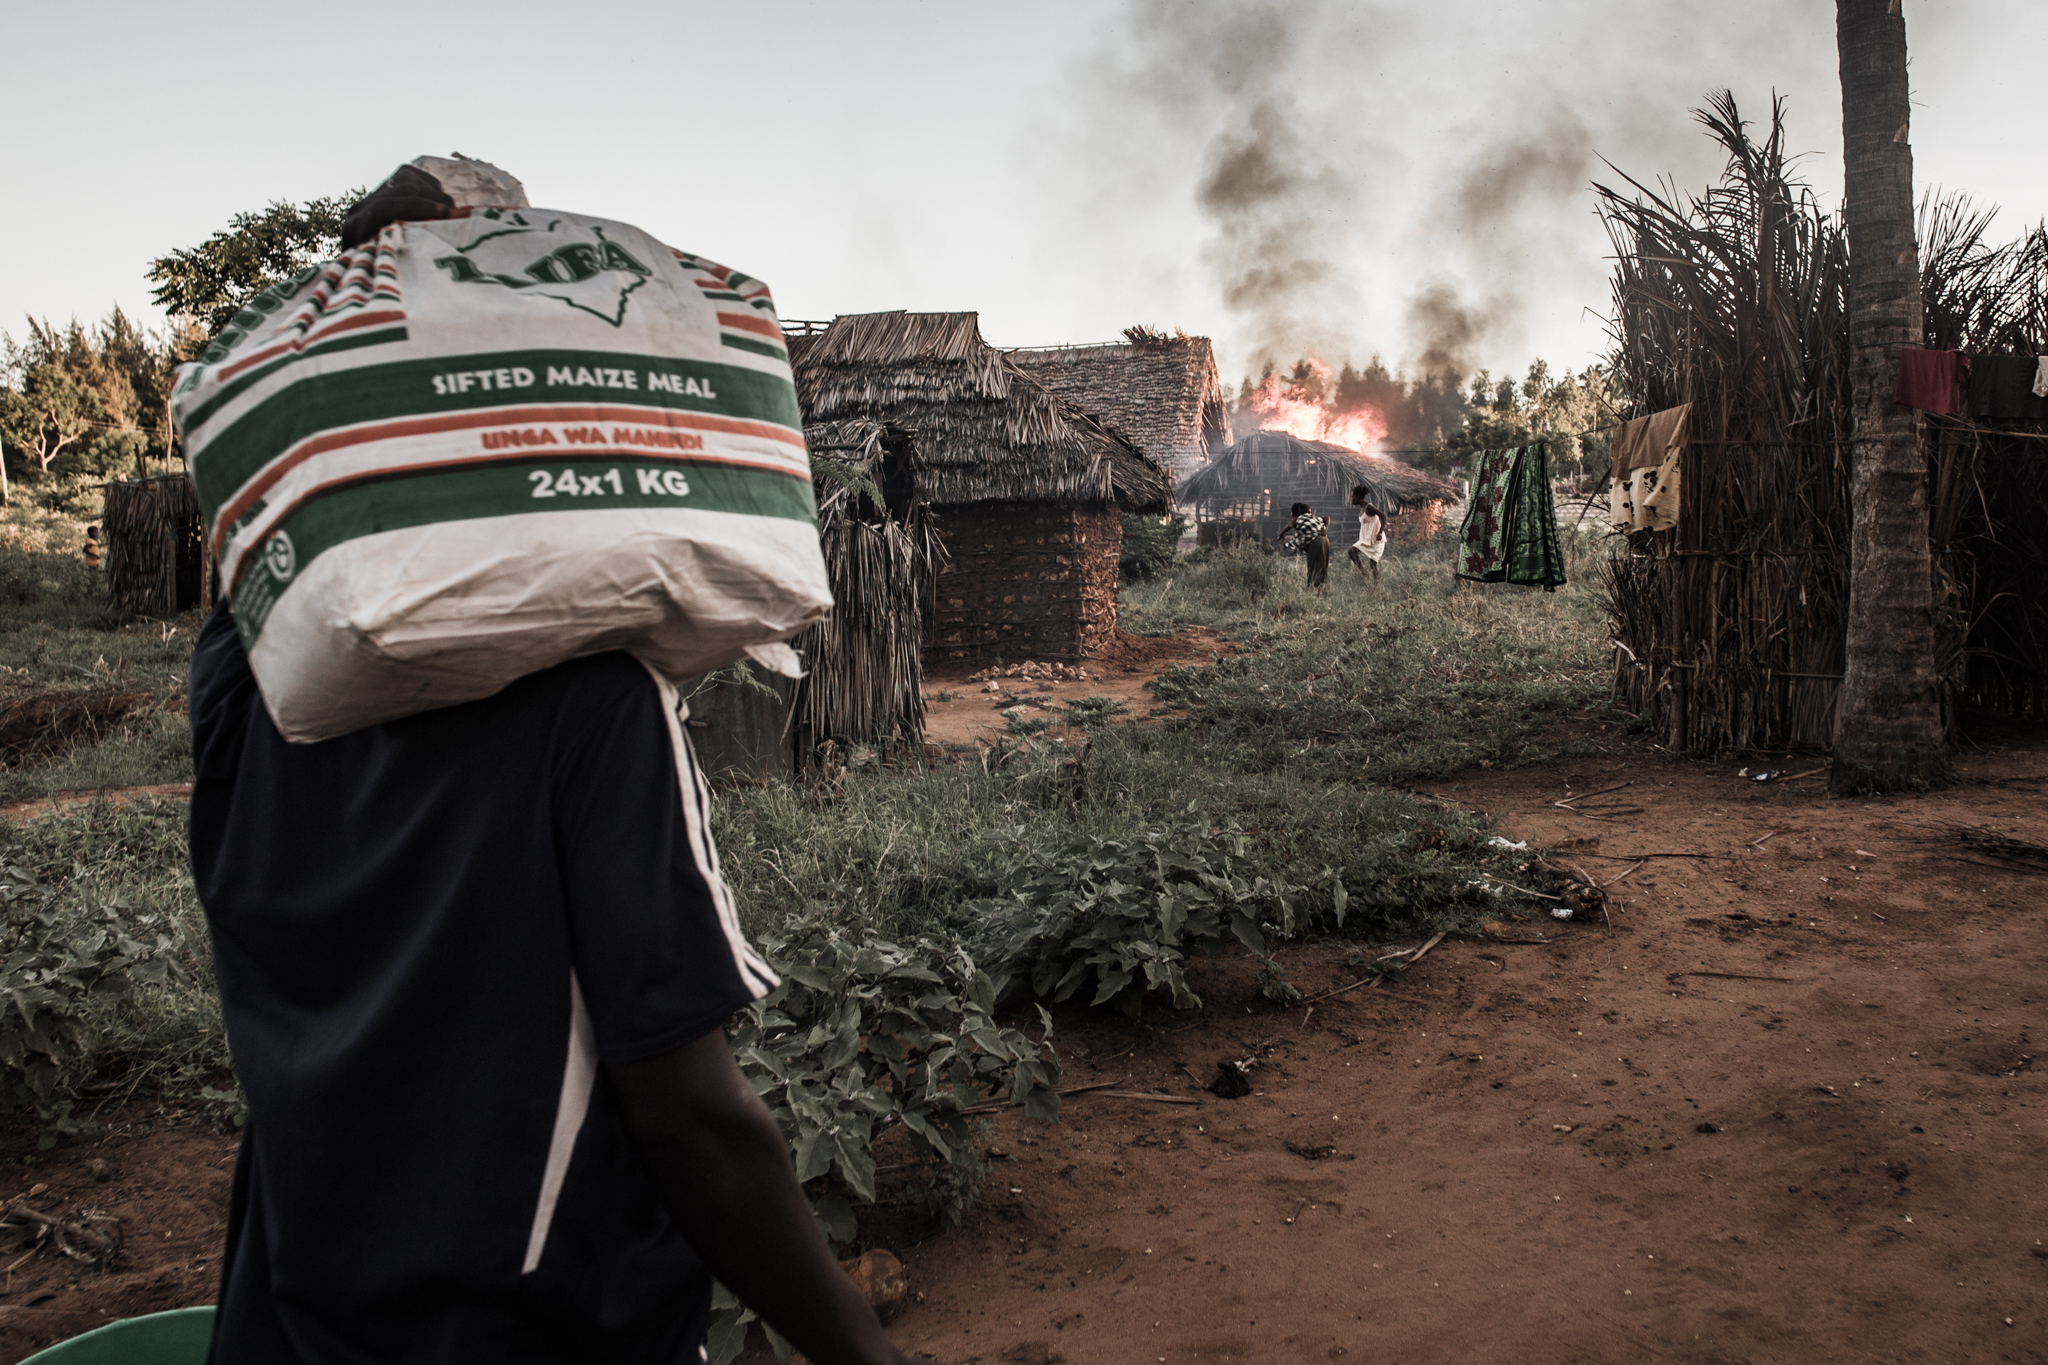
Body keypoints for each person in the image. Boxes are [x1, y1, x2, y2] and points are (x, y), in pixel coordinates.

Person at [187, 165, 920, 1365]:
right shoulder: (596, 705)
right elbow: (690, 1119)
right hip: (534, 1322)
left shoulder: (242, 670)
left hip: (297, 1298)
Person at [1277, 501, 1331, 592]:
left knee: (1313, 567)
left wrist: (1281, 535)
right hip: (1325, 541)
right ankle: (1320, 589)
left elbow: (1291, 527)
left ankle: (1312, 590)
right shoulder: (1312, 518)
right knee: (1322, 567)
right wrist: (1325, 530)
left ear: (1294, 514)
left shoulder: (1297, 519)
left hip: (1315, 542)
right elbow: (1327, 518)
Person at [1348, 485, 1388, 584]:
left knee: (1373, 565)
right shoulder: (1361, 510)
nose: (1351, 499)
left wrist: (1380, 532)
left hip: (1377, 540)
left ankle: (1376, 586)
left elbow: (1383, 516)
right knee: (1352, 551)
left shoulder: (1368, 507)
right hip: (1366, 540)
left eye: (1353, 496)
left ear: (1358, 497)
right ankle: (1364, 572)